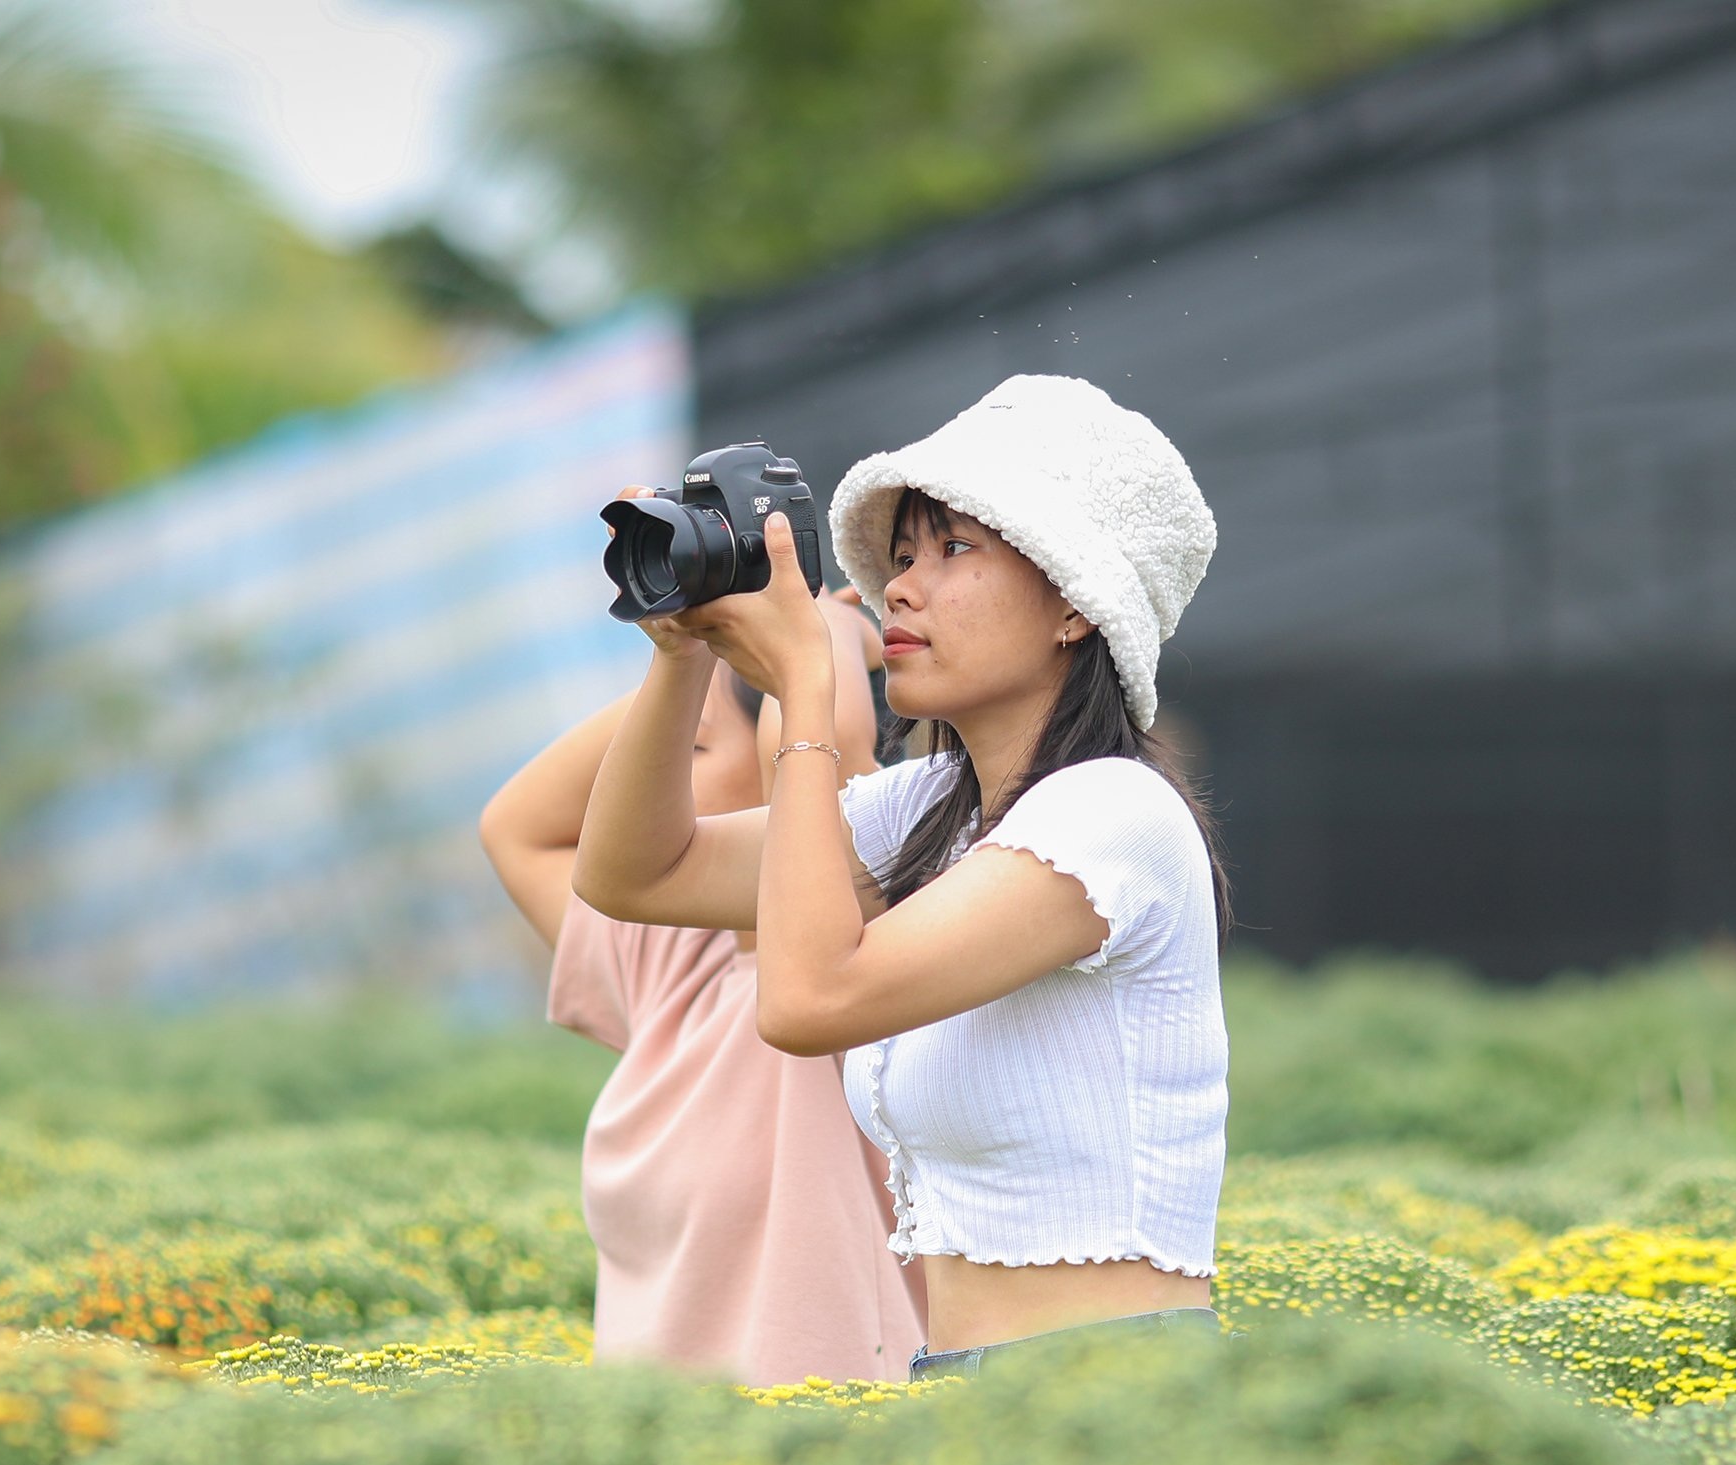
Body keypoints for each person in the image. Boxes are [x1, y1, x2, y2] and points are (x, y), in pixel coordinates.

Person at [571, 375, 1231, 1380]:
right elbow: (635, 871)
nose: (901, 590)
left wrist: (802, 689)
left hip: (1111, 1382)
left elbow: (809, 998)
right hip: (950, 1377)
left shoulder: (1114, 814)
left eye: (955, 548)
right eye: (903, 557)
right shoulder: (932, 812)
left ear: (1075, 605)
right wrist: (684, 656)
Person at [477, 571, 921, 1385]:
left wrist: (819, 646)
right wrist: (685, 648)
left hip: (828, 1455)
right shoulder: (670, 965)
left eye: (692, 748)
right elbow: (518, 826)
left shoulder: (875, 953)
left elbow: (833, 777)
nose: (649, 773)